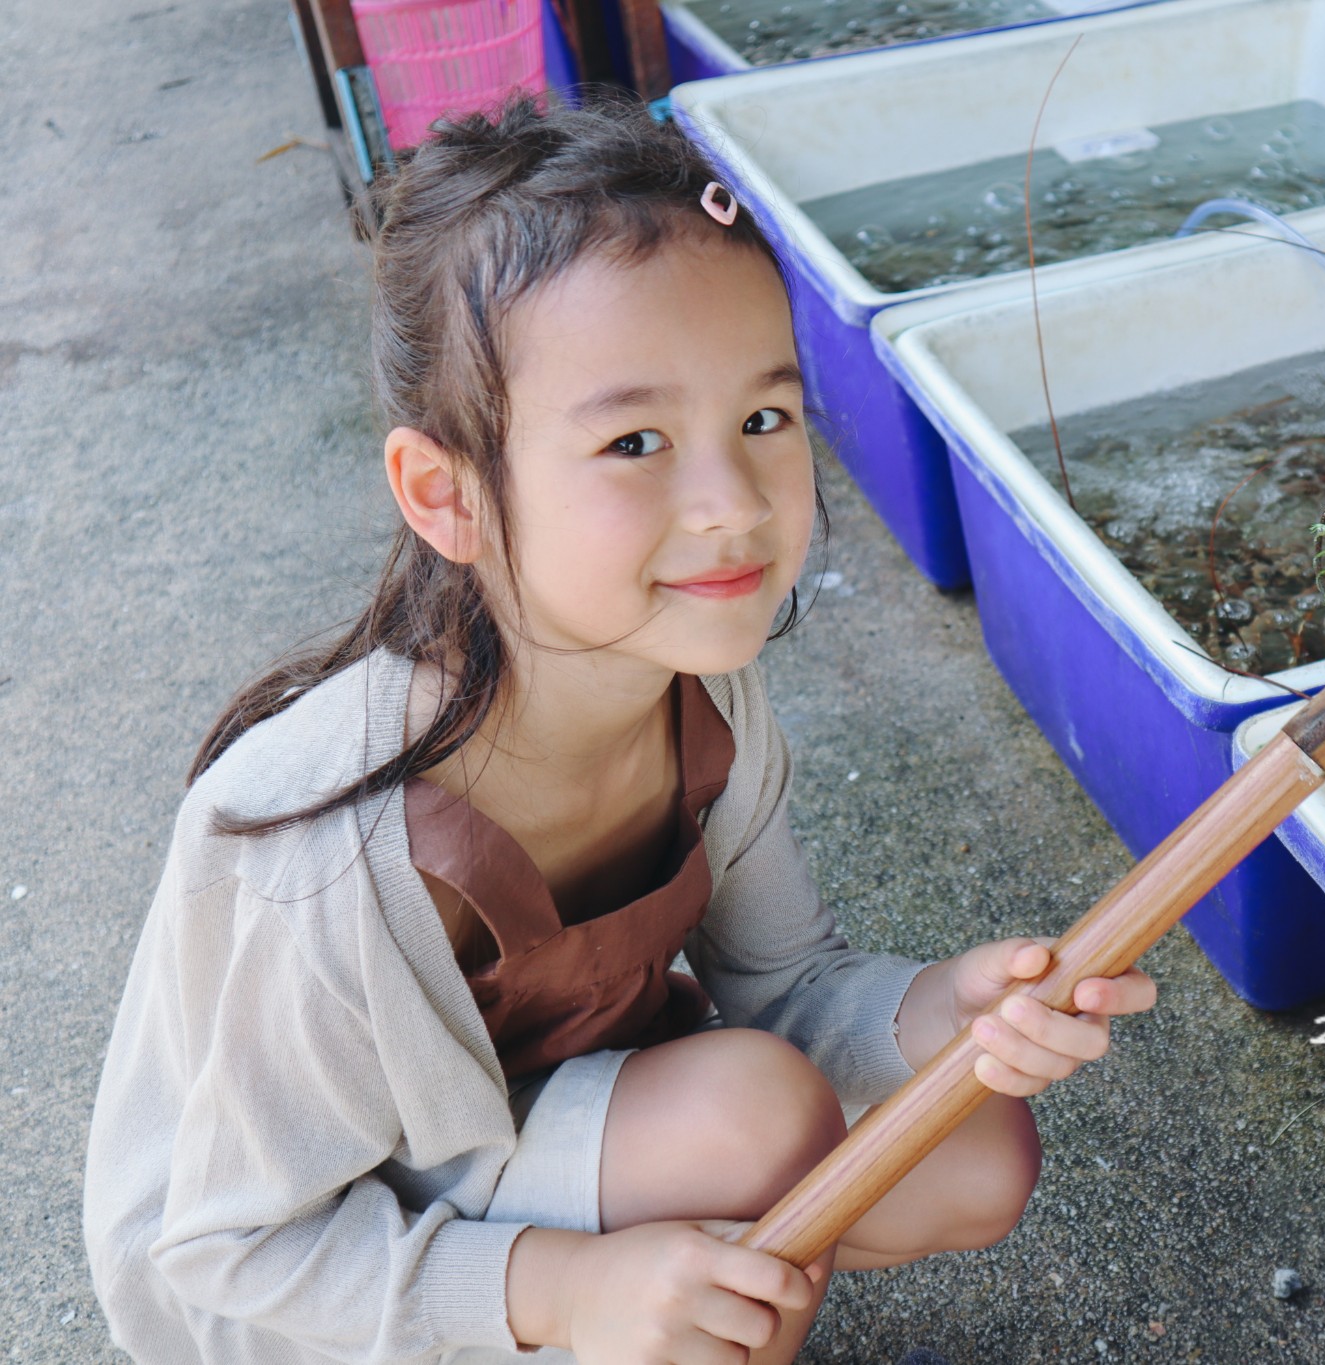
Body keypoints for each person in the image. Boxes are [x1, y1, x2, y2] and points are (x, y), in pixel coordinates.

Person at [82, 96, 1156, 1365]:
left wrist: (947, 1009)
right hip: (304, 1281)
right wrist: (561, 1295)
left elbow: (789, 987)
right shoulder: (324, 854)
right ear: (448, 493)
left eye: (763, 420)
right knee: (748, 1125)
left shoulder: (698, 683)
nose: (730, 508)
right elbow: (227, 1251)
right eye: (633, 440)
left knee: (968, 1143)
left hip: (533, 1132)